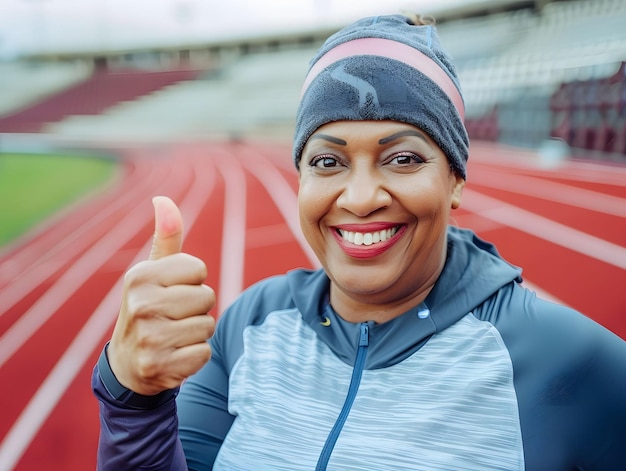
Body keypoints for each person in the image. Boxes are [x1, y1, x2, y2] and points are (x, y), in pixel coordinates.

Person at [92, 13, 626, 471]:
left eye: (403, 158)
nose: (362, 197)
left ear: (456, 178)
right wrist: (133, 397)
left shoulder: (570, 358)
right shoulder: (249, 326)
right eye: (328, 161)